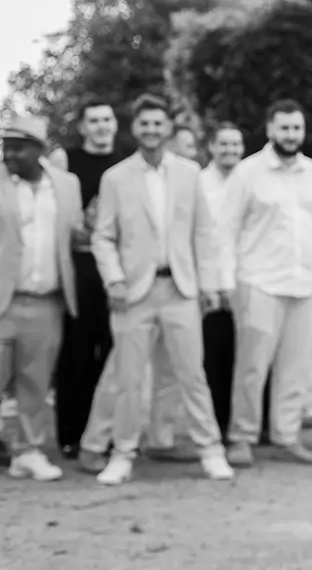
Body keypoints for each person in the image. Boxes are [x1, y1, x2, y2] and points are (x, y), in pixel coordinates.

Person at [89, 95, 233, 485]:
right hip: (133, 292)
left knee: (192, 374)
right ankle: (122, 453)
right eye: (144, 124)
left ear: (168, 128)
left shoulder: (189, 173)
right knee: (129, 378)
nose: (151, 130)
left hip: (180, 289)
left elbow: (204, 232)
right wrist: (114, 279)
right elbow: (102, 236)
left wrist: (209, 285)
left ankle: (211, 450)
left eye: (158, 124)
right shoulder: (116, 177)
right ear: (134, 128)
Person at [221, 99, 312, 467]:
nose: (291, 135)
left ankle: (286, 436)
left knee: (296, 367)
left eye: (296, 128)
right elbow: (226, 229)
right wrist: (223, 280)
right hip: (258, 282)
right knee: (252, 367)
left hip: (304, 284)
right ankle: (242, 437)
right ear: (269, 130)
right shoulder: (247, 173)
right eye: (284, 128)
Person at [0, 115, 84, 481]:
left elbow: (75, 236)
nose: (8, 154)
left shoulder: (67, 186)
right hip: (4, 299)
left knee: (35, 382)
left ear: (39, 150)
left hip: (48, 301)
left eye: (17, 147)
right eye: (5, 146)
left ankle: (27, 452)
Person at [55, 98, 124, 459]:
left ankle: (107, 433)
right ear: (82, 127)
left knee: (113, 353)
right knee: (76, 353)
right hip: (78, 266)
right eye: (93, 120)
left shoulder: (125, 163)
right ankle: (71, 433)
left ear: (115, 124)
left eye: (106, 119)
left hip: (115, 268)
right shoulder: (65, 161)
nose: (101, 126)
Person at [198, 122, 245, 440]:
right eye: (223, 145)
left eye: (235, 145)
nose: (230, 151)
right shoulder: (198, 184)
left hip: (250, 282)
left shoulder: (252, 180)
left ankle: (254, 424)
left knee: (251, 359)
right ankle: (218, 425)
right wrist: (210, 284)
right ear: (211, 147)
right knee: (216, 358)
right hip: (212, 284)